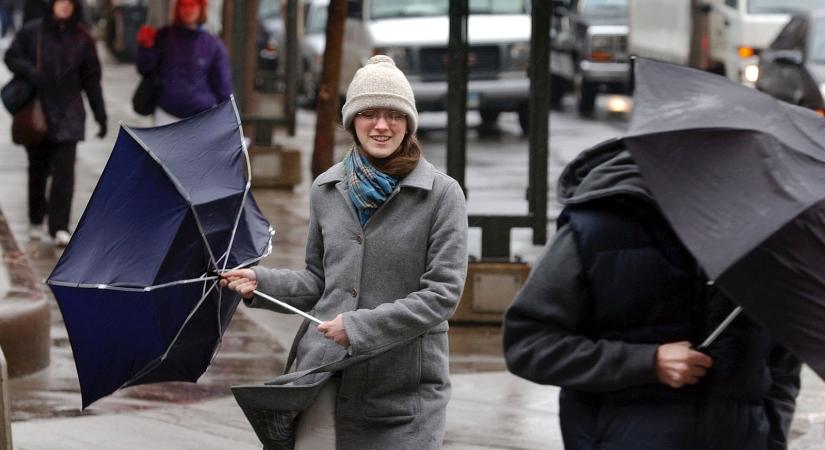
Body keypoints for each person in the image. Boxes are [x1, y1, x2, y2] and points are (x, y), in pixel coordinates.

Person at [221, 55, 468, 450]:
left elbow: (442, 295)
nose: (382, 125)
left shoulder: (441, 195)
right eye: (369, 113)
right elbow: (319, 280)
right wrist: (260, 282)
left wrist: (358, 327)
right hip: (324, 373)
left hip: (401, 389)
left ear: (408, 123)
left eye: (394, 115)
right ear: (352, 119)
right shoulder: (327, 188)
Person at [502, 139, 803, 450]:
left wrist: (772, 436)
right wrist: (647, 362)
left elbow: (783, 361)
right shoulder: (599, 228)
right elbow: (529, 344)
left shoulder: (767, 240)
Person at [4, 0, 107, 246]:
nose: (63, 6)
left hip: (69, 115)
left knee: (64, 173)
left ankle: (59, 226)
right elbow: (11, 57)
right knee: (37, 170)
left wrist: (100, 114)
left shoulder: (83, 38)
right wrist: (30, 71)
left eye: (68, 3)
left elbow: (92, 79)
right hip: (37, 114)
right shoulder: (34, 30)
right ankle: (36, 219)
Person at [135, 0, 232, 125]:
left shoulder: (213, 45)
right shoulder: (163, 37)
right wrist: (145, 47)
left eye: (192, 5)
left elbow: (223, 86)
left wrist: (231, 118)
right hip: (166, 115)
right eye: (183, 5)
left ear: (201, 8)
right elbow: (144, 69)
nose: (187, 10)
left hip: (202, 118)